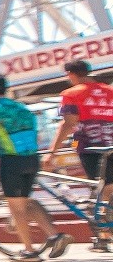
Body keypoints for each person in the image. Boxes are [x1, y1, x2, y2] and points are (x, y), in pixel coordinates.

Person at [0, 73, 68, 262]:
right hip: (32, 158)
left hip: (11, 160)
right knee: (26, 202)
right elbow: (37, 136)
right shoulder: (23, 108)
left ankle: (29, 251)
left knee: (16, 208)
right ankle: (54, 236)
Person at [52, 59, 113, 192]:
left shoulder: (71, 94)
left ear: (71, 74)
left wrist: (52, 152)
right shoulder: (110, 91)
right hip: (111, 144)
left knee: (104, 190)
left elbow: (68, 124)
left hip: (90, 148)